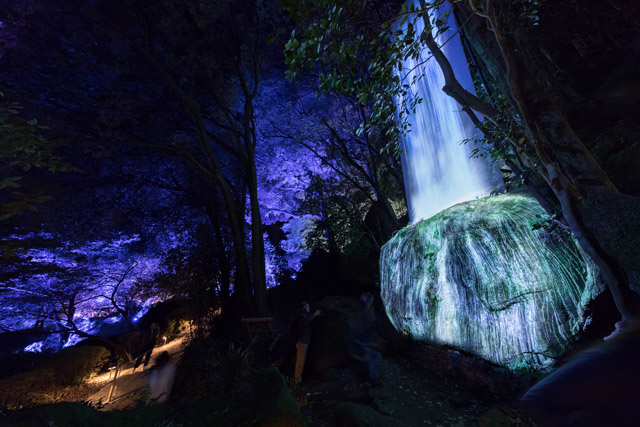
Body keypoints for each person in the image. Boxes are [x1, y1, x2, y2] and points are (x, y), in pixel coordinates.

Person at [345, 292, 382, 386]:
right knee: (374, 356)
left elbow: (371, 329)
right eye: (369, 300)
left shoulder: (369, 312)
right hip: (357, 343)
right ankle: (372, 379)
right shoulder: (360, 314)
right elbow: (356, 332)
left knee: (375, 354)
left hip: (364, 341)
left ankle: (371, 378)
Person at [293, 301, 321, 385]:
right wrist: (315, 314)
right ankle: (297, 381)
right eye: (307, 306)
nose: (309, 308)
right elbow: (307, 320)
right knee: (300, 361)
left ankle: (298, 379)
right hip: (302, 341)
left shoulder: (305, 315)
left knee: (302, 360)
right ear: (303, 308)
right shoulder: (302, 316)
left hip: (305, 341)